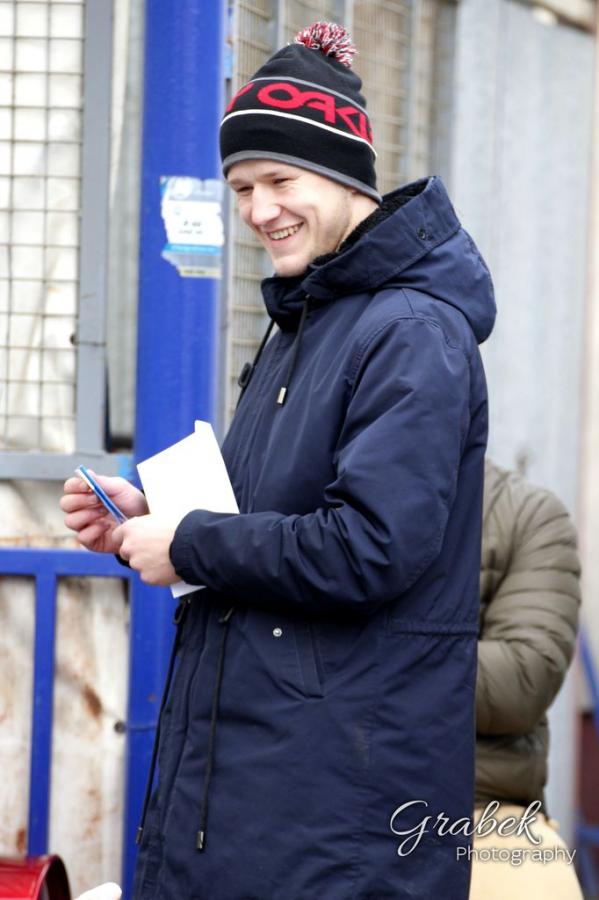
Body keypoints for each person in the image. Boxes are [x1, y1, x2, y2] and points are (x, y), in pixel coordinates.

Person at [61, 22, 496, 900]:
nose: (259, 210)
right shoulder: (309, 319)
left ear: (345, 176)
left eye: (279, 180)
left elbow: (368, 548)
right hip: (273, 794)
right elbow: (269, 513)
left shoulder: (410, 331)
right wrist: (150, 517)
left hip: (339, 819)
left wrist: (190, 543)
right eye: (241, 187)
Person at [471, 458, 582, 899]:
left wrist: (367, 657)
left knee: (536, 881)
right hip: (322, 793)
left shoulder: (528, 513)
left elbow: (522, 679)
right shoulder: (310, 504)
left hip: (479, 800)